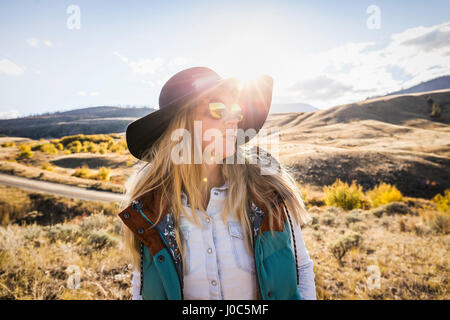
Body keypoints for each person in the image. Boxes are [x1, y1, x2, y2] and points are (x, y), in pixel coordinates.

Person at [118, 66, 316, 300]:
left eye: (235, 109)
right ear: (181, 125)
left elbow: (301, 269)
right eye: (217, 108)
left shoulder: (266, 190)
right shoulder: (150, 208)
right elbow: (141, 288)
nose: (233, 118)